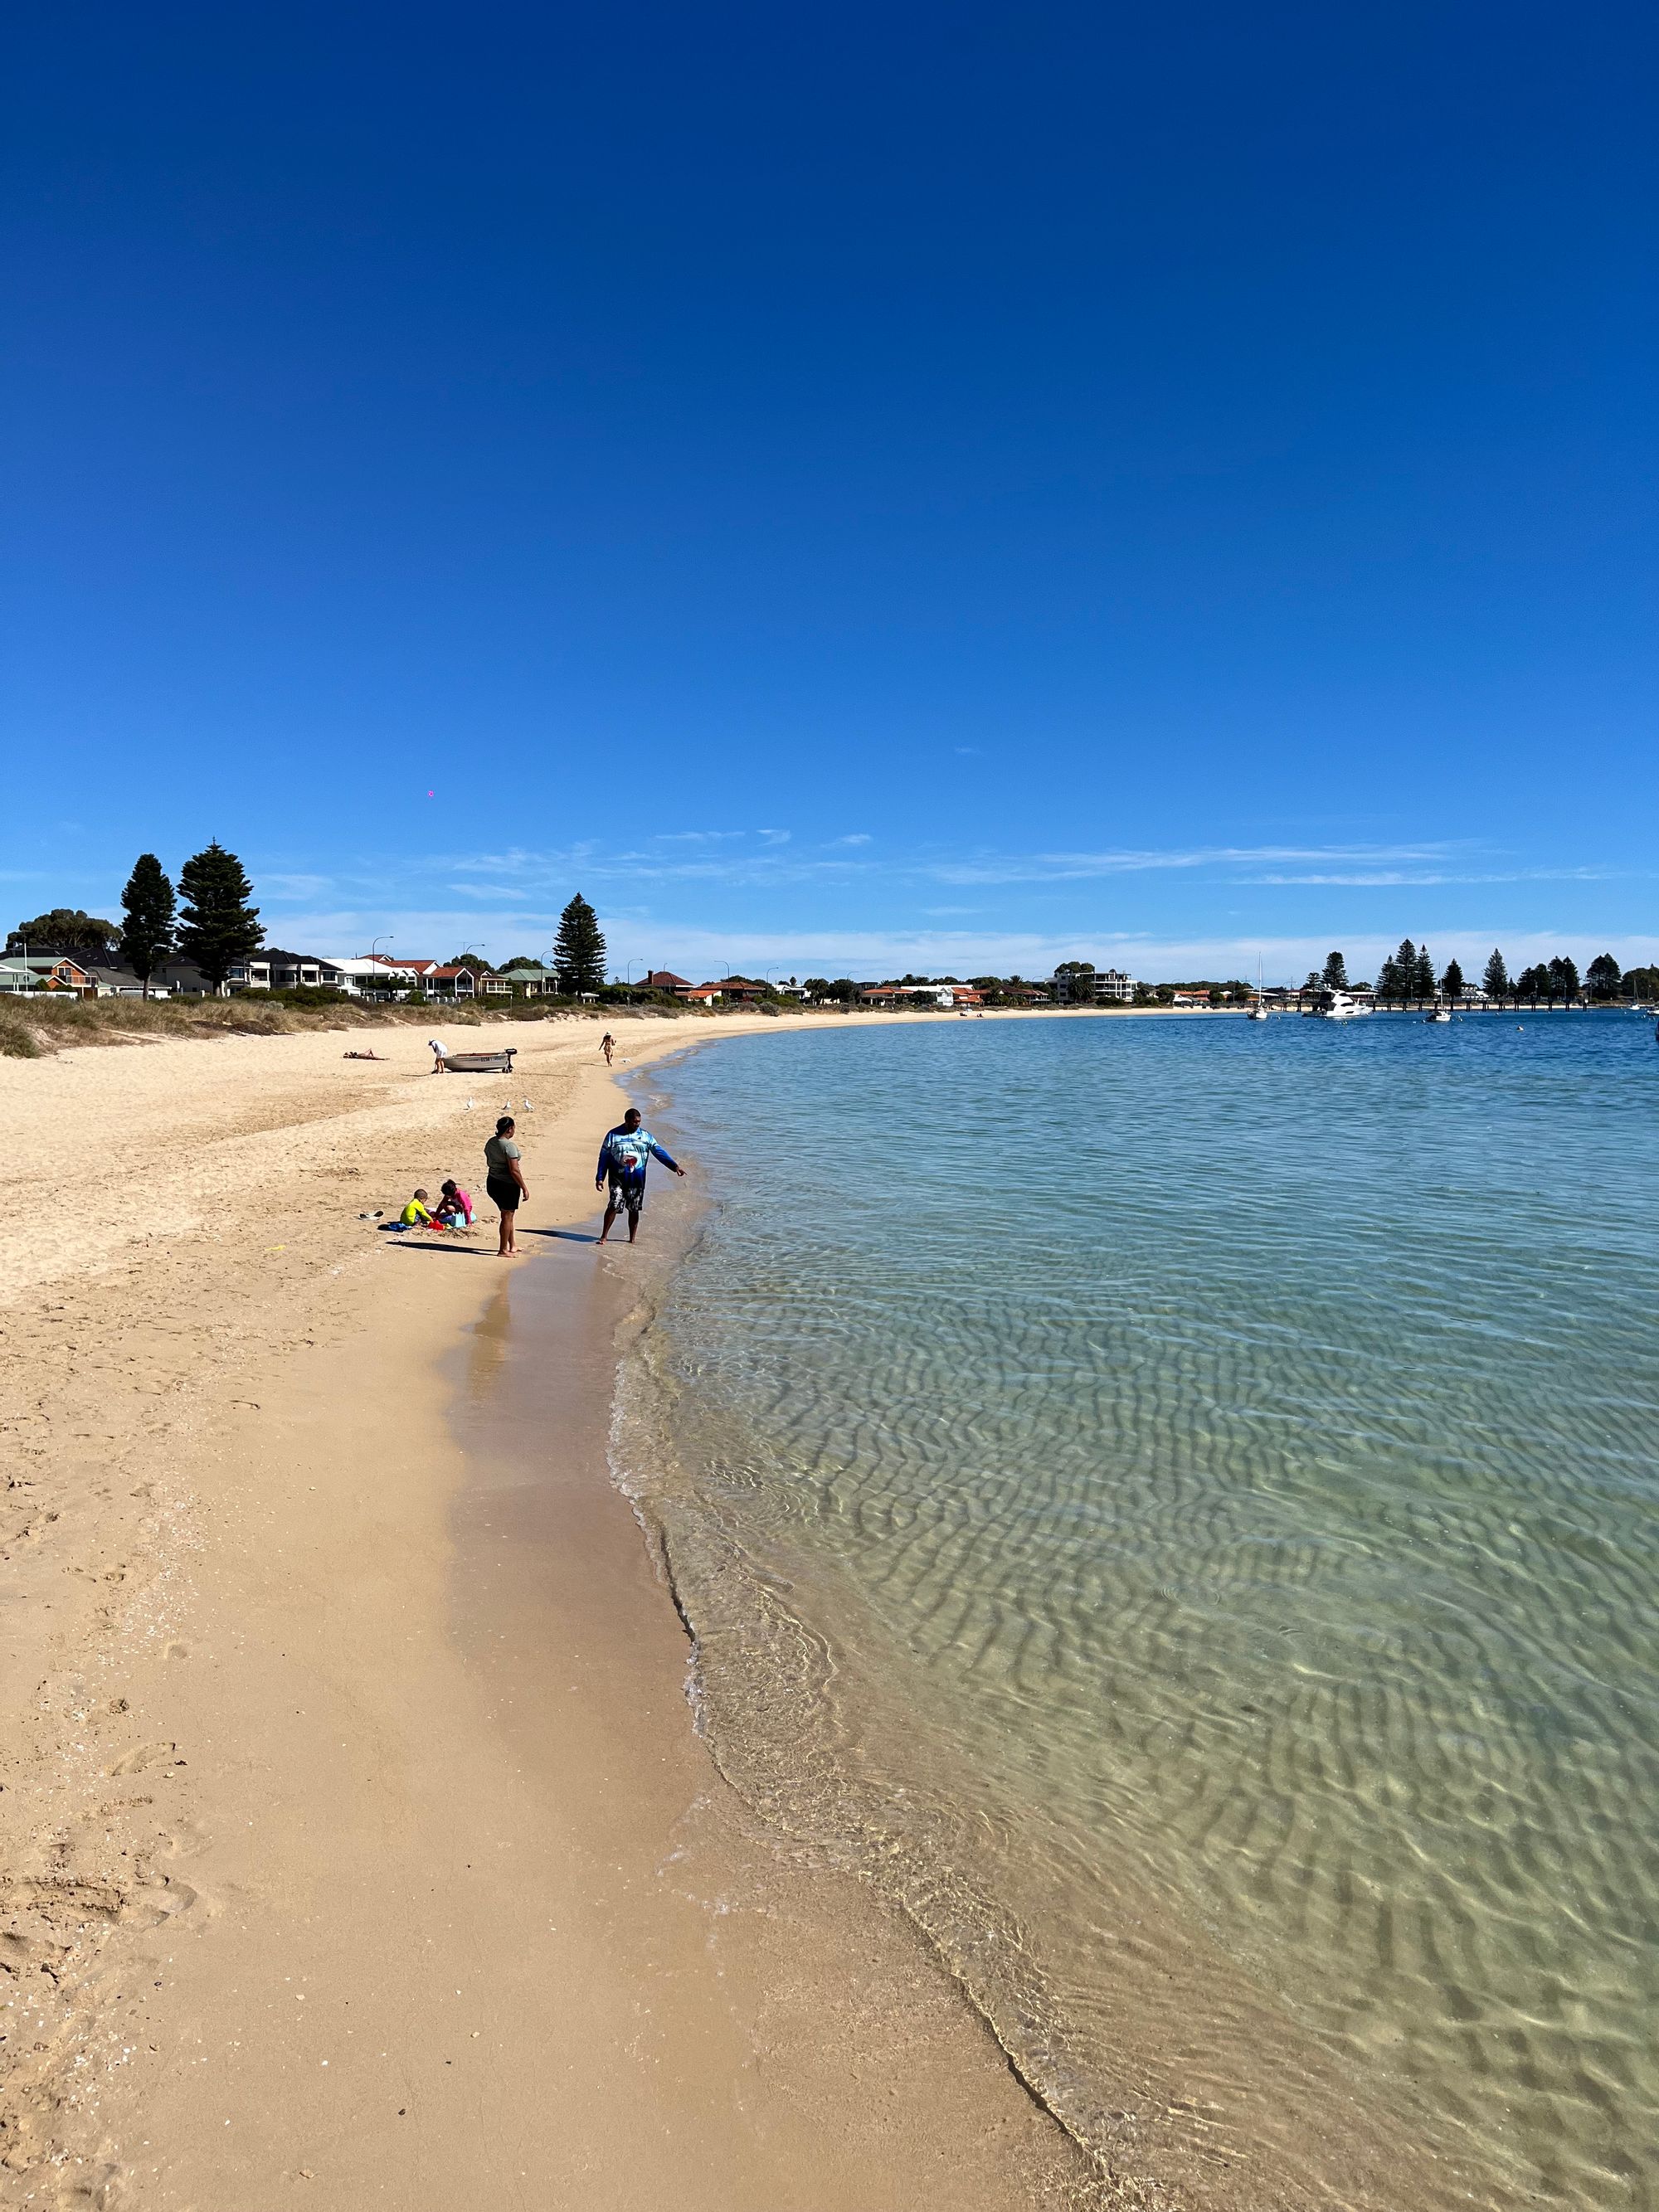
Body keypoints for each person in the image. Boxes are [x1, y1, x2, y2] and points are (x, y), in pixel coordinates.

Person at [595, 1106, 685, 1245]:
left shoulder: (645, 1136)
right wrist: (600, 1178)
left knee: (634, 1208)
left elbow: (658, 1151)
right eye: (634, 1122)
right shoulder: (613, 1135)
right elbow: (604, 1157)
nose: (637, 1124)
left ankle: (632, 1239)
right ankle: (604, 1236)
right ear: (627, 1120)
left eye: (639, 1122)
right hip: (617, 1178)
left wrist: (675, 1167)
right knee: (614, 1202)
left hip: (636, 1180)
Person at [484, 1116, 528, 1257]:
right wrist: (524, 1188)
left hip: (492, 1181)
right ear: (510, 1129)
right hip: (507, 1185)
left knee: (508, 1215)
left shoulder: (491, 1142)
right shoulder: (509, 1146)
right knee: (507, 1216)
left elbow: (489, 1159)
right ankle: (503, 1250)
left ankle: (512, 1245)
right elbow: (514, 1170)